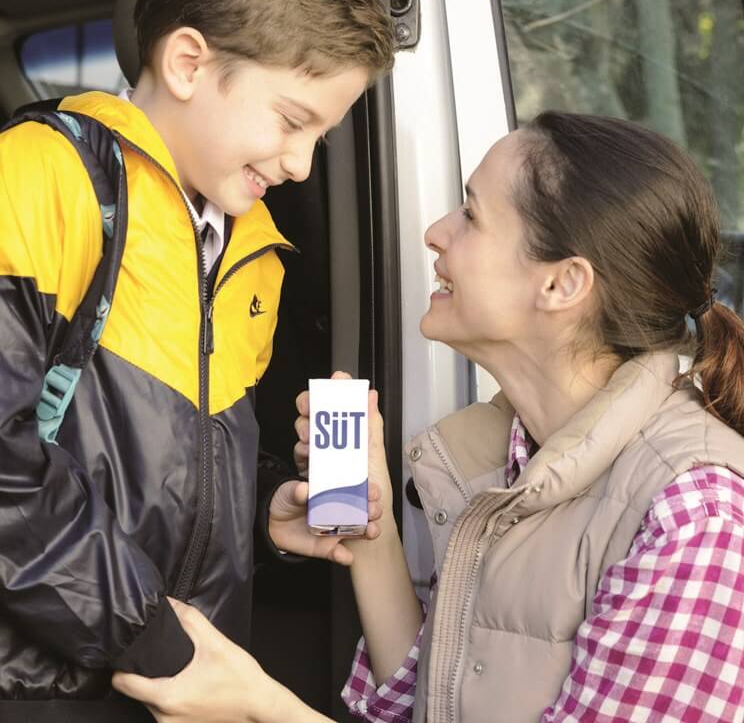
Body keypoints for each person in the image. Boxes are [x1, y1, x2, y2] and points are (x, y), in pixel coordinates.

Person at [114, 111, 744, 723]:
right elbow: (426, 705)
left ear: (562, 285)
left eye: (471, 215)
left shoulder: (699, 521)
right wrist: (373, 527)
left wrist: (257, 707)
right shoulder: (520, 460)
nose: (436, 231)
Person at [0, 0, 394, 720]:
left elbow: (167, 467)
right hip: (44, 689)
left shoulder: (252, 252)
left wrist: (260, 512)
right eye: (292, 121)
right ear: (187, 64)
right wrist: (158, 644)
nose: (300, 165)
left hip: (181, 687)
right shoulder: (39, 181)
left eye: (320, 137)